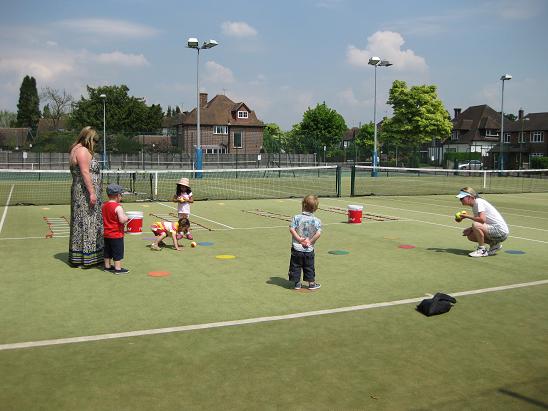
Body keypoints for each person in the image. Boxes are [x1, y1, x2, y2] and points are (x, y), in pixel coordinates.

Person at [68, 126, 103, 267]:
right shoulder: (82, 150)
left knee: (80, 222)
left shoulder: (75, 149)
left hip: (80, 191)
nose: (95, 143)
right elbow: (85, 172)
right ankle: (88, 257)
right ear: (89, 138)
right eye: (95, 140)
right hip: (84, 194)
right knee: (88, 222)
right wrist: (92, 192)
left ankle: (80, 257)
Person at [456, 187, 509, 257]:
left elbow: (482, 220)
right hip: (495, 230)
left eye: (462, 198)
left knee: (475, 225)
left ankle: (482, 250)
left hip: (500, 231)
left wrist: (466, 216)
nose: (460, 200)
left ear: (470, 197)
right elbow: (481, 222)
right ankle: (495, 245)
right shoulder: (475, 204)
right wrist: (471, 229)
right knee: (471, 236)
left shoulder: (478, 202)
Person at [288, 194, 322, 290]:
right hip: (309, 249)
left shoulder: (296, 217)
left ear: (303, 205)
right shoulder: (317, 221)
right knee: (309, 266)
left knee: (295, 265)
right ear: (315, 209)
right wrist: (310, 242)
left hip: (296, 248)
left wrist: (299, 239)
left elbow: (292, 229)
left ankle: (297, 283)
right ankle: (311, 284)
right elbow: (318, 233)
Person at [102, 184, 130, 274]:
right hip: (116, 234)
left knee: (107, 251)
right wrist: (127, 218)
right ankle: (118, 269)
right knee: (117, 252)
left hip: (106, 233)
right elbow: (122, 220)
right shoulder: (118, 207)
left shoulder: (104, 205)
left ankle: (107, 267)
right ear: (118, 195)